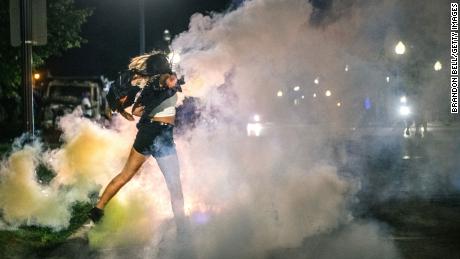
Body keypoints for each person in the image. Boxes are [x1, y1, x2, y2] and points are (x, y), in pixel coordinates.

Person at [88, 52, 188, 234]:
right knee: (174, 185)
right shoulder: (163, 79)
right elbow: (168, 83)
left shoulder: (152, 83)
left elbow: (137, 111)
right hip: (160, 134)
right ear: (162, 67)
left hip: (150, 133)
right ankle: (183, 229)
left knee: (126, 175)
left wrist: (152, 109)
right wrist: (175, 81)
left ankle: (98, 210)